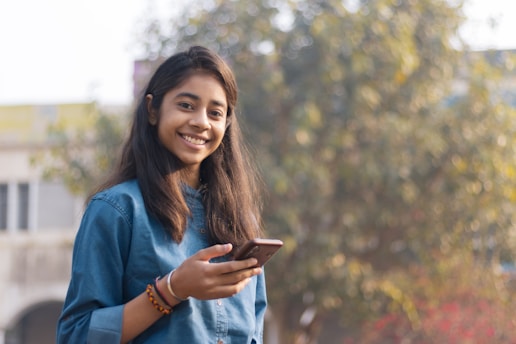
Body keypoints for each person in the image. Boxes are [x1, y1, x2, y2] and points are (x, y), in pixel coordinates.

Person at [57, 45, 267, 343]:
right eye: (186, 105)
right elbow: (75, 336)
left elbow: (253, 332)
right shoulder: (117, 211)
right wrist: (172, 289)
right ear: (153, 110)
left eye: (215, 112)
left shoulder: (240, 220)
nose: (201, 122)